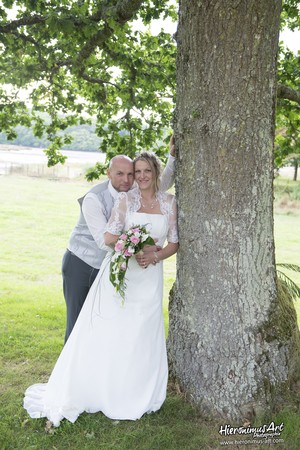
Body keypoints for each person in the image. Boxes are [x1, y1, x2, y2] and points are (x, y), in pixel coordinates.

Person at [23, 151, 179, 425]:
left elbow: (172, 235)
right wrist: (136, 245)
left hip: (149, 277)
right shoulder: (108, 199)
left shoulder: (165, 200)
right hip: (101, 267)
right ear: (110, 174)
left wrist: (155, 255)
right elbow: (104, 238)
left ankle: (137, 388)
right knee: (100, 330)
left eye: (140, 172)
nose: (135, 178)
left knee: (142, 332)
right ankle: (97, 384)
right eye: (129, 173)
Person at [63, 136, 175, 342]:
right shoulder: (94, 198)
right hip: (82, 263)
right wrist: (142, 249)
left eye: (130, 174)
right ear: (109, 174)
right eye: (120, 174)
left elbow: (160, 182)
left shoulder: (132, 191)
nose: (126, 179)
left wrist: (172, 156)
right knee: (78, 323)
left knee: (103, 324)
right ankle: (73, 368)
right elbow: (102, 241)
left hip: (114, 266)